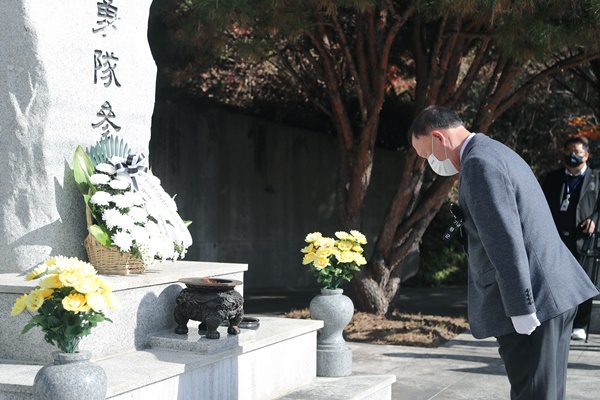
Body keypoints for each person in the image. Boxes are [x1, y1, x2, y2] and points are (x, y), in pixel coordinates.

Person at [409, 105, 599, 400]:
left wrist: (521, 307)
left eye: (427, 155)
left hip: (535, 302)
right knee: (547, 393)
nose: (430, 163)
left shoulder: (478, 164)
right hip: (551, 294)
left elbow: (504, 239)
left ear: (439, 138)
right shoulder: (493, 151)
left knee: (535, 395)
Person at [542, 136, 600, 341]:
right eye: (568, 152)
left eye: (577, 152)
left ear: (587, 155)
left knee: (583, 283)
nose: (572, 156)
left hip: (585, 241)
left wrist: (595, 222)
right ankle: (557, 321)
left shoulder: (596, 178)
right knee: (556, 282)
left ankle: (580, 324)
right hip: (557, 239)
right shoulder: (553, 178)